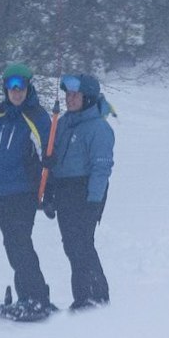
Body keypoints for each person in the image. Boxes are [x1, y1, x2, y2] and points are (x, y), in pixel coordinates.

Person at [0, 62, 54, 319]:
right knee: (12, 245)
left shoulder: (37, 116)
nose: (16, 91)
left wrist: (50, 192)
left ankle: (37, 298)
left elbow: (49, 156)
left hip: (25, 191)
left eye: (21, 86)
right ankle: (27, 296)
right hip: (2, 192)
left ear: (28, 88)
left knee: (21, 244)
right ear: (6, 89)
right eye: (11, 86)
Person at [45, 74, 115, 311]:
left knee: (82, 243)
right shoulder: (64, 123)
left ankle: (95, 295)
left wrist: (93, 201)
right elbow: (55, 157)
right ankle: (85, 295)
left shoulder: (98, 128)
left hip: (85, 191)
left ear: (88, 98)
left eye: (75, 95)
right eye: (68, 94)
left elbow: (102, 167)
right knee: (71, 244)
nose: (70, 99)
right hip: (65, 190)